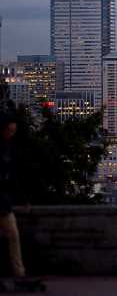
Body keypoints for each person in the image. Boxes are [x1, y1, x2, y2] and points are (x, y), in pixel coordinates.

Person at [0, 116, 27, 281]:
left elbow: (14, 178)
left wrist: (22, 198)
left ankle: (20, 273)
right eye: (9, 130)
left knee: (14, 236)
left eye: (13, 131)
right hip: (3, 203)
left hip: (4, 204)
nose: (11, 133)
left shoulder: (10, 149)